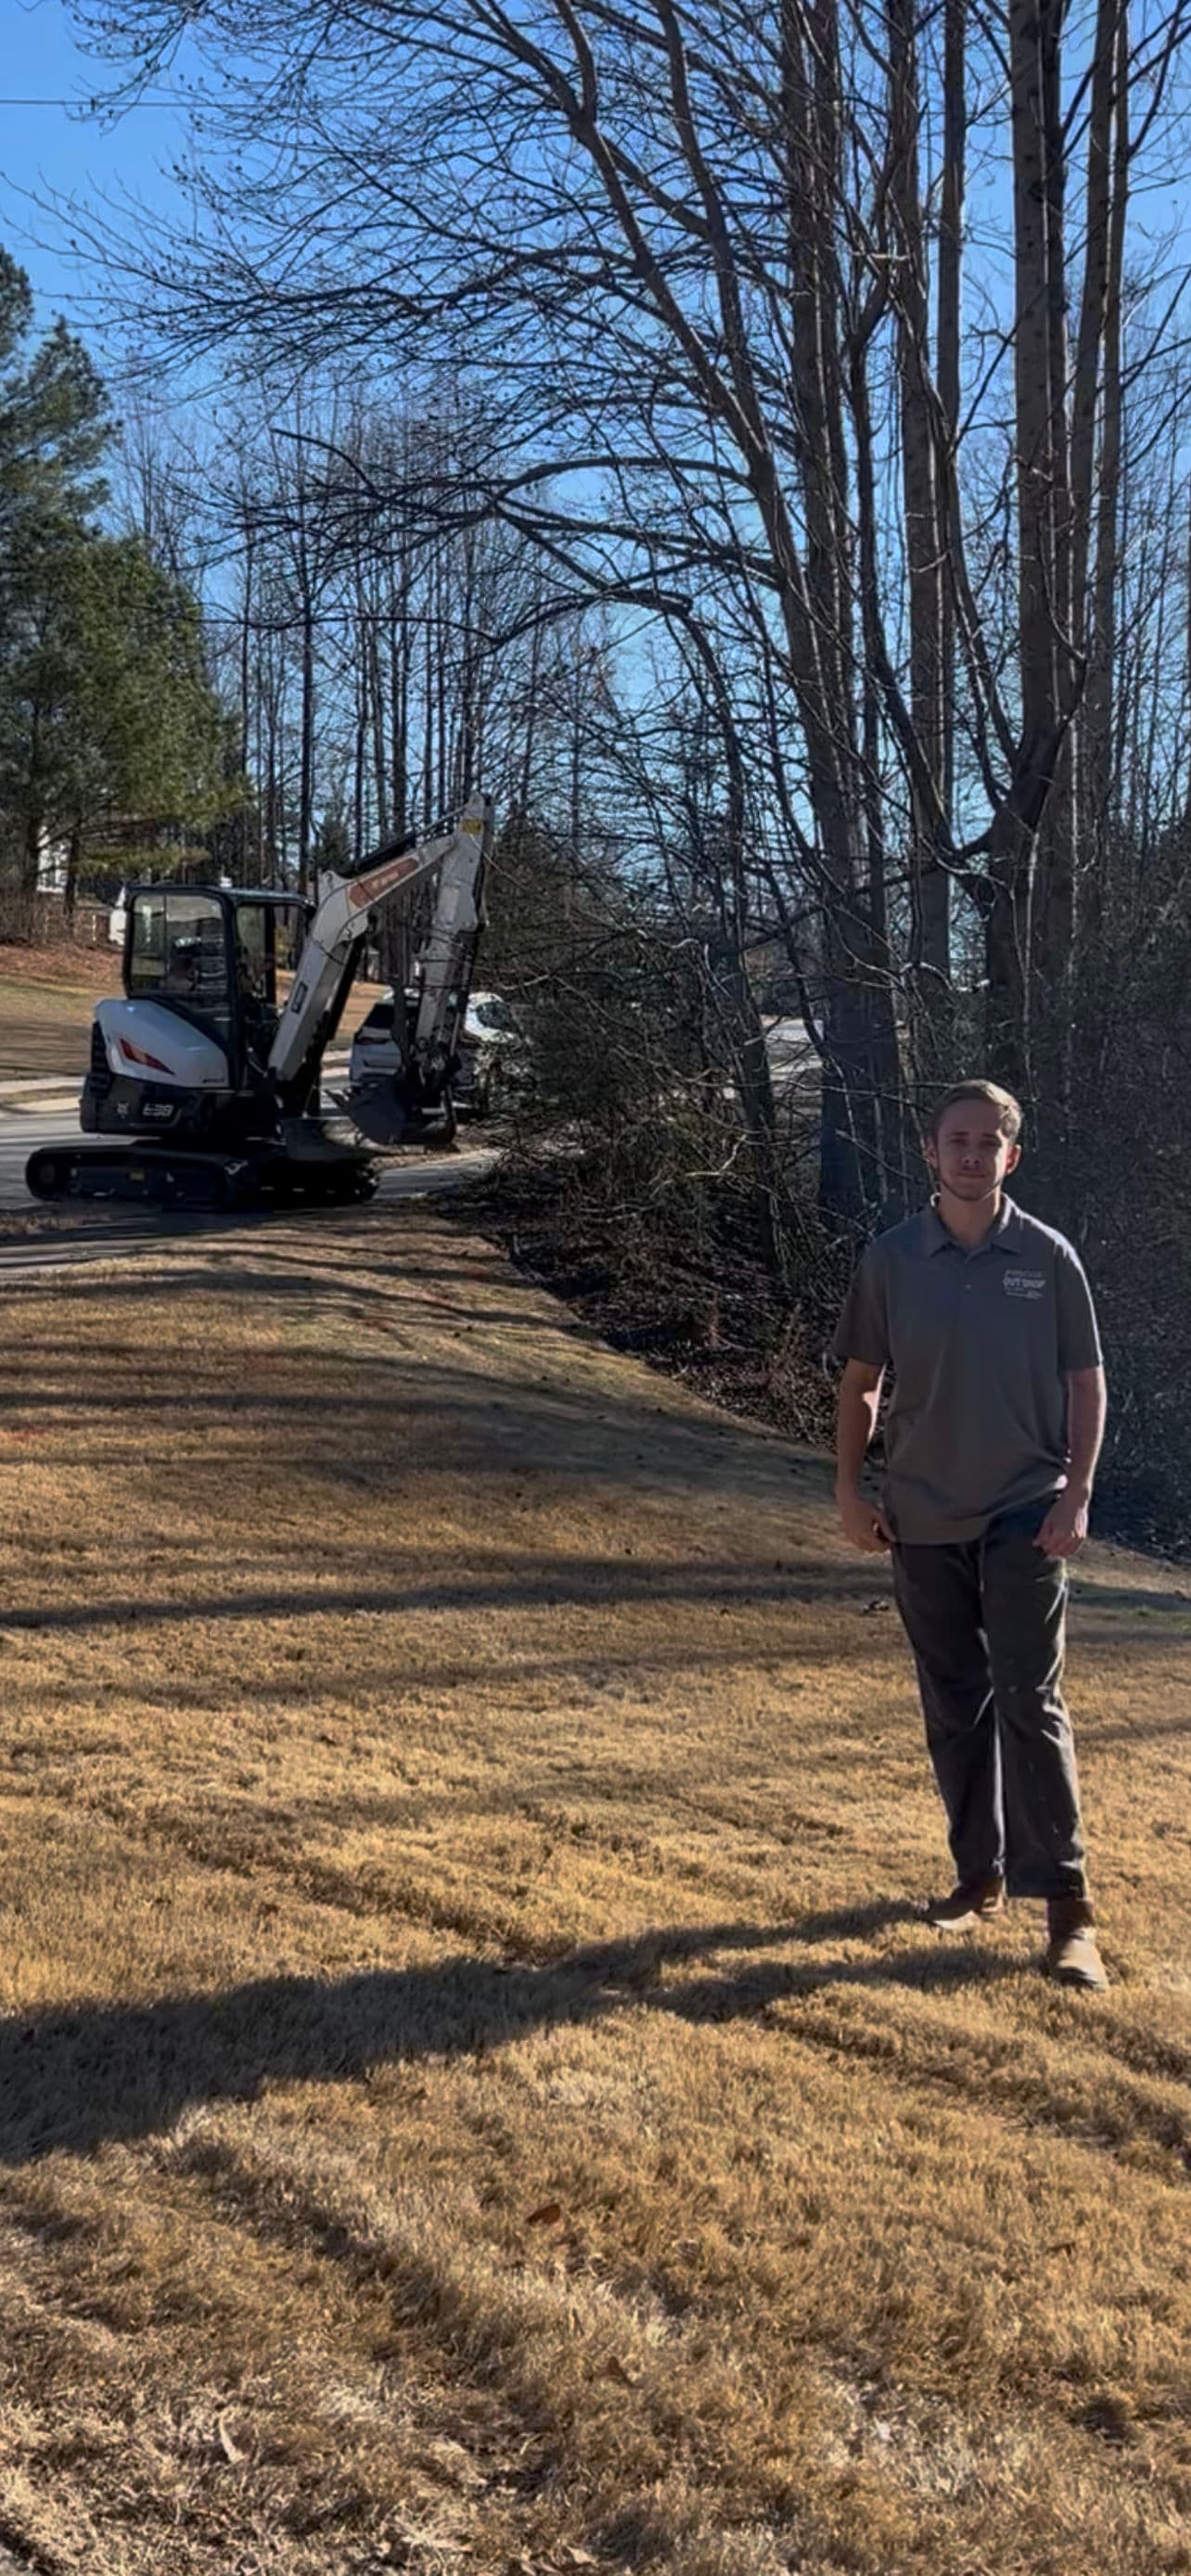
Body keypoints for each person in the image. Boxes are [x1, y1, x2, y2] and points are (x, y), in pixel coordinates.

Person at [833, 1079, 1108, 1991]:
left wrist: (1076, 1495)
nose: (971, 1154)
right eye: (957, 1138)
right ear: (929, 1150)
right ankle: (977, 1874)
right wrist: (847, 1487)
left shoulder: (1049, 1257)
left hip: (1026, 1511)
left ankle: (1068, 1910)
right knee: (955, 1706)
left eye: (988, 1141)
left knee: (1031, 1699)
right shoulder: (892, 1258)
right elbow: (863, 1381)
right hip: (919, 1516)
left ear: (1010, 1156)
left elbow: (1086, 1384)